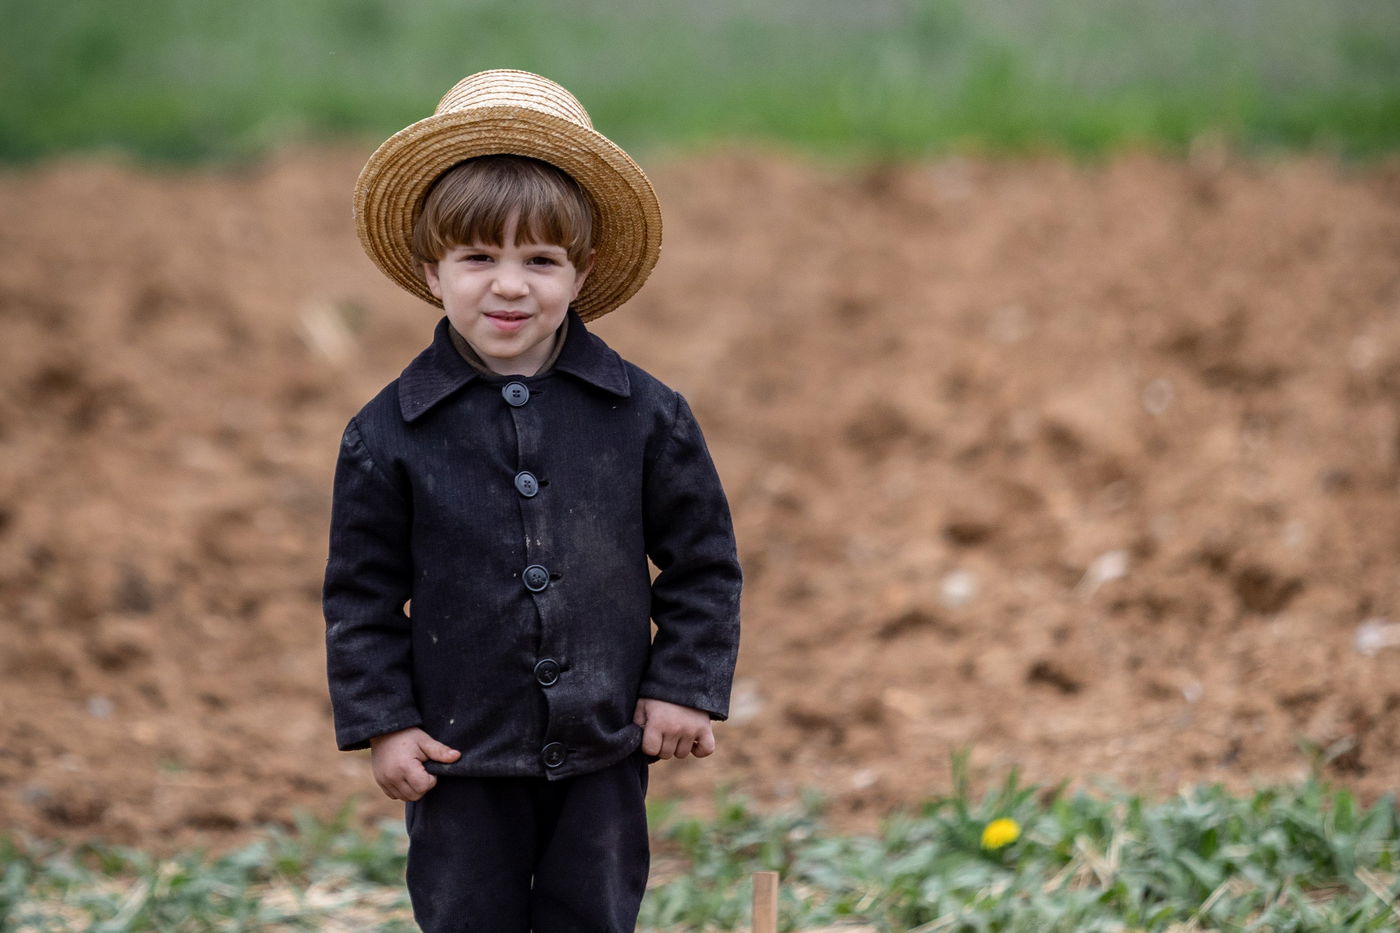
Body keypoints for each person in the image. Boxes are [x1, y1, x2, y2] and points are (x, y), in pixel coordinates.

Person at [323, 69, 742, 932]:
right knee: (465, 916)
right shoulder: (386, 434)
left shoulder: (647, 416)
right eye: (479, 257)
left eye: (539, 260)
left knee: (592, 913)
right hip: (456, 757)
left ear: (581, 271)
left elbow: (703, 564)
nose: (509, 285)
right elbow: (361, 597)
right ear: (431, 270)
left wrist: (684, 685)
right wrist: (385, 723)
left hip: (604, 749)